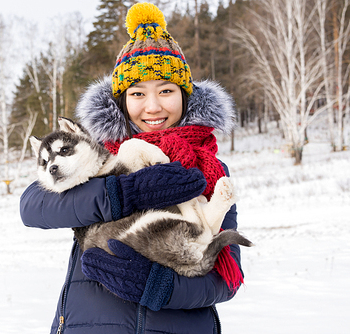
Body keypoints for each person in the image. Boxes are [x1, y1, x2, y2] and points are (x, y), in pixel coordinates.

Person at [20, 3, 242, 333]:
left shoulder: (208, 167)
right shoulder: (95, 157)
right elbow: (34, 207)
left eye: (166, 90)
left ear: (184, 96)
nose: (153, 107)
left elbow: (226, 279)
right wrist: (119, 192)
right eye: (138, 93)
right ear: (122, 101)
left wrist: (159, 287)